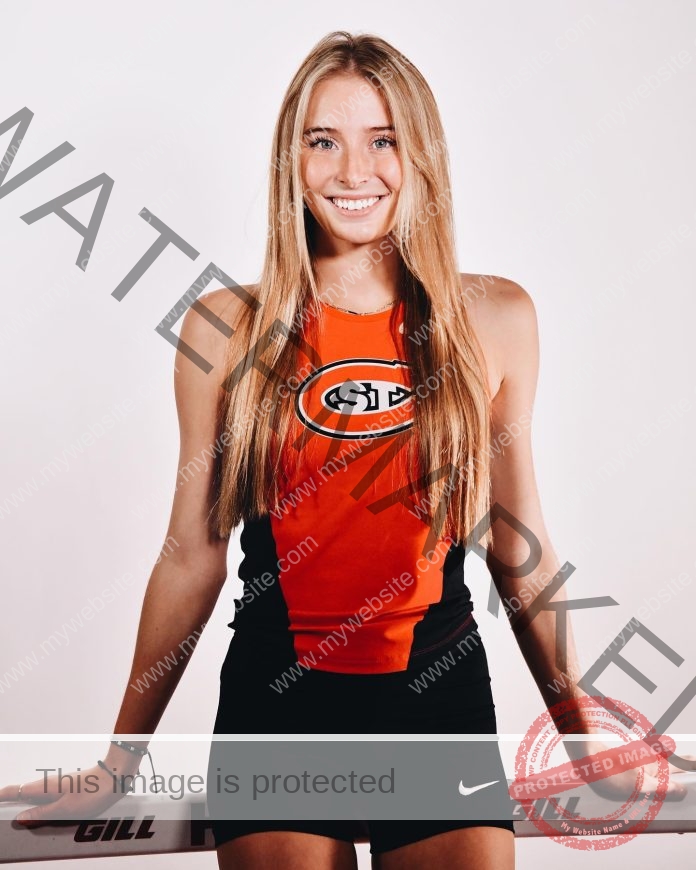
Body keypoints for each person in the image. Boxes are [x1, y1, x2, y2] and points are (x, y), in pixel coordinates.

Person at [1, 30, 689, 870]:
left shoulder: (494, 318)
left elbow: (520, 552)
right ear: (290, 162)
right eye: (323, 141)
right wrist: (119, 765)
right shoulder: (224, 329)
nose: (352, 171)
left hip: (438, 705)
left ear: (421, 156)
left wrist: (585, 745)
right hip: (276, 709)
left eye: (382, 140)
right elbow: (190, 555)